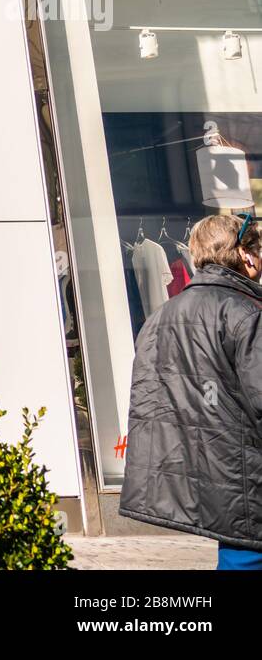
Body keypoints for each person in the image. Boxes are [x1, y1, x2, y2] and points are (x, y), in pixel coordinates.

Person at [120, 212, 262, 569]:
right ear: (244, 255)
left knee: (237, 554)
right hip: (247, 470)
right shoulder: (244, 312)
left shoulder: (160, 317)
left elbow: (157, 401)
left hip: (208, 470)